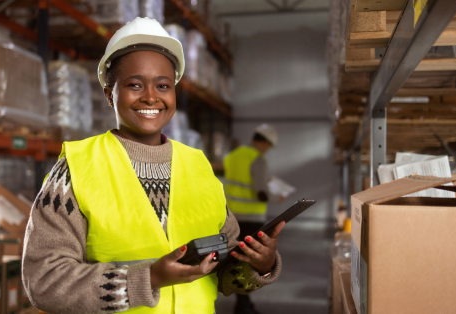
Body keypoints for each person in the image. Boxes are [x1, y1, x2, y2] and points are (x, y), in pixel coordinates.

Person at [22, 18, 285, 314]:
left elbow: (223, 272)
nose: (151, 96)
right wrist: (148, 280)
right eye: (135, 84)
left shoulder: (198, 167)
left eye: (163, 85)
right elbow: (43, 281)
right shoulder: (74, 170)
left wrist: (259, 265)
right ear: (110, 94)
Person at [223, 124, 285, 314]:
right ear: (265, 142)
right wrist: (278, 197)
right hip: (251, 217)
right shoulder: (258, 160)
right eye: (269, 146)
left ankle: (243, 303)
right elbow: (261, 194)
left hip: (231, 216)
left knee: (235, 258)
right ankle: (243, 305)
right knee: (248, 262)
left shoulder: (232, 156)